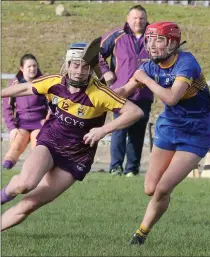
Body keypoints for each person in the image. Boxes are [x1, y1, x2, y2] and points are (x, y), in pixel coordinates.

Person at [0, 42, 144, 232]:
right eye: (75, 65)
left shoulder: (99, 93)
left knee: (29, 204)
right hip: (50, 141)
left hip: (77, 156)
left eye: (85, 66)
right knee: (24, 184)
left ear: (91, 69)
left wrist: (103, 130)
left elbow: (135, 112)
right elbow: (24, 89)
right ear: (67, 65)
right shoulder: (54, 82)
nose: (79, 71)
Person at [115, 21, 210, 245]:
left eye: (158, 40)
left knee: (163, 187)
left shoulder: (186, 63)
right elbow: (124, 91)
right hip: (169, 126)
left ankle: (141, 234)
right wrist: (100, 93)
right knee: (151, 189)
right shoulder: (149, 66)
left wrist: (146, 79)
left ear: (173, 43)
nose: (151, 45)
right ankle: (162, 199)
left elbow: (171, 97)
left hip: (196, 132)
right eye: (149, 40)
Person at [99, 5, 154, 177]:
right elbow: (96, 54)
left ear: (146, 19)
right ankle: (115, 167)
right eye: (135, 18)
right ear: (128, 19)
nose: (138, 21)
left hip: (144, 93)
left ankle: (132, 169)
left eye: (141, 18)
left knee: (137, 134)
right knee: (119, 130)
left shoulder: (154, 37)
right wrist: (105, 71)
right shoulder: (116, 36)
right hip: (120, 94)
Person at [2, 54, 49, 170]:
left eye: (34, 66)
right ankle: (6, 169)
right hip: (21, 124)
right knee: (16, 145)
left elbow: (52, 105)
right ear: (22, 68)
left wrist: (47, 120)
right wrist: (12, 128)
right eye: (29, 66)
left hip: (39, 123)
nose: (32, 69)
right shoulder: (14, 84)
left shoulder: (44, 82)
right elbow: (7, 107)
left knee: (37, 144)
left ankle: (34, 171)